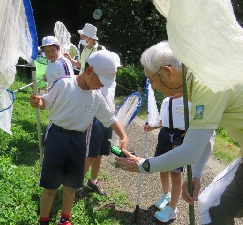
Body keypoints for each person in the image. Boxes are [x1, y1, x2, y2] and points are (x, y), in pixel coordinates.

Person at [115, 41, 237, 224]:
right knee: (210, 205)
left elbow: (189, 151)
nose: (153, 87)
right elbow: (208, 135)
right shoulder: (196, 86)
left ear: (167, 72)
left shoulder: (206, 86)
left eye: (151, 79)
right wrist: (195, 175)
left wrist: (143, 165)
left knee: (212, 207)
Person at [29, 50, 128, 225]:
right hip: (56, 137)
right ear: (89, 70)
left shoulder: (97, 96)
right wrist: (38, 102)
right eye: (101, 81)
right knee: (50, 185)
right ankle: (43, 220)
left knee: (72, 184)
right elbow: (46, 102)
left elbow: (110, 118)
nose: (102, 86)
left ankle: (65, 218)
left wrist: (123, 135)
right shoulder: (64, 83)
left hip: (78, 140)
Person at [64, 24, 113, 199]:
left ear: (92, 38)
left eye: (84, 36)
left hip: (107, 105)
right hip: (95, 107)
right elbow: (83, 69)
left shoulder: (102, 53)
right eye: (82, 36)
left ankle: (93, 181)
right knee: (90, 153)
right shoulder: (84, 50)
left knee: (99, 152)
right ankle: (76, 185)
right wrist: (71, 61)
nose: (82, 39)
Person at [144, 95, 192, 222]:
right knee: (162, 169)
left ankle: (172, 209)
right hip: (164, 135)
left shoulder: (190, 99)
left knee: (175, 175)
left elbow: (196, 120)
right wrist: (152, 126)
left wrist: (191, 131)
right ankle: (166, 195)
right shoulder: (166, 100)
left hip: (180, 138)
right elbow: (162, 121)